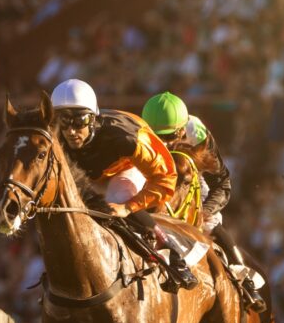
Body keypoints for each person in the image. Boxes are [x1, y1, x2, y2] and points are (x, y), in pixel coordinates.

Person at [49, 79, 196, 291]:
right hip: (91, 175)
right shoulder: (54, 135)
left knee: (115, 200)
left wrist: (127, 207)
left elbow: (165, 178)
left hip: (126, 169)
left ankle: (173, 252)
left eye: (79, 122)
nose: (71, 131)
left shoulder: (126, 137)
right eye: (64, 122)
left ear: (92, 119)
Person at [141, 91, 267, 312]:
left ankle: (244, 280)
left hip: (192, 177)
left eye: (170, 136)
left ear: (182, 130)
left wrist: (204, 211)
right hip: (155, 181)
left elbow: (222, 183)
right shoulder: (139, 133)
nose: (164, 144)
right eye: (158, 137)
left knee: (210, 224)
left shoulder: (197, 134)